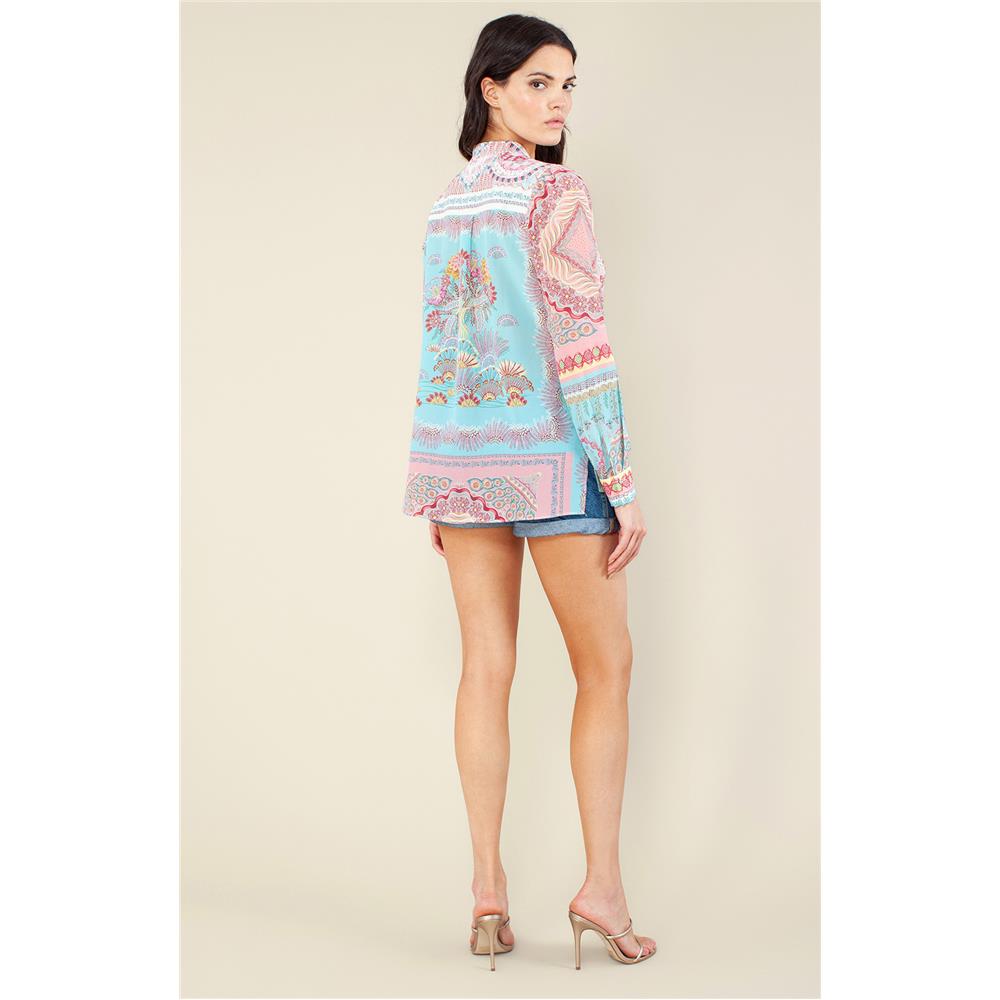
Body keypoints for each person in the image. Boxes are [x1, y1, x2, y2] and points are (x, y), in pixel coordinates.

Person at [401, 14, 655, 971]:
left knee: (484, 668)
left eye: (568, 85)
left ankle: (486, 891)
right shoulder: (555, 192)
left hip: (460, 461)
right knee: (607, 669)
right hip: (553, 456)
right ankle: (602, 889)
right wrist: (621, 482)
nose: (558, 103)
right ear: (492, 89)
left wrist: (440, 475)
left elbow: (442, 346)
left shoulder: (448, 203)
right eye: (539, 83)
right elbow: (581, 341)